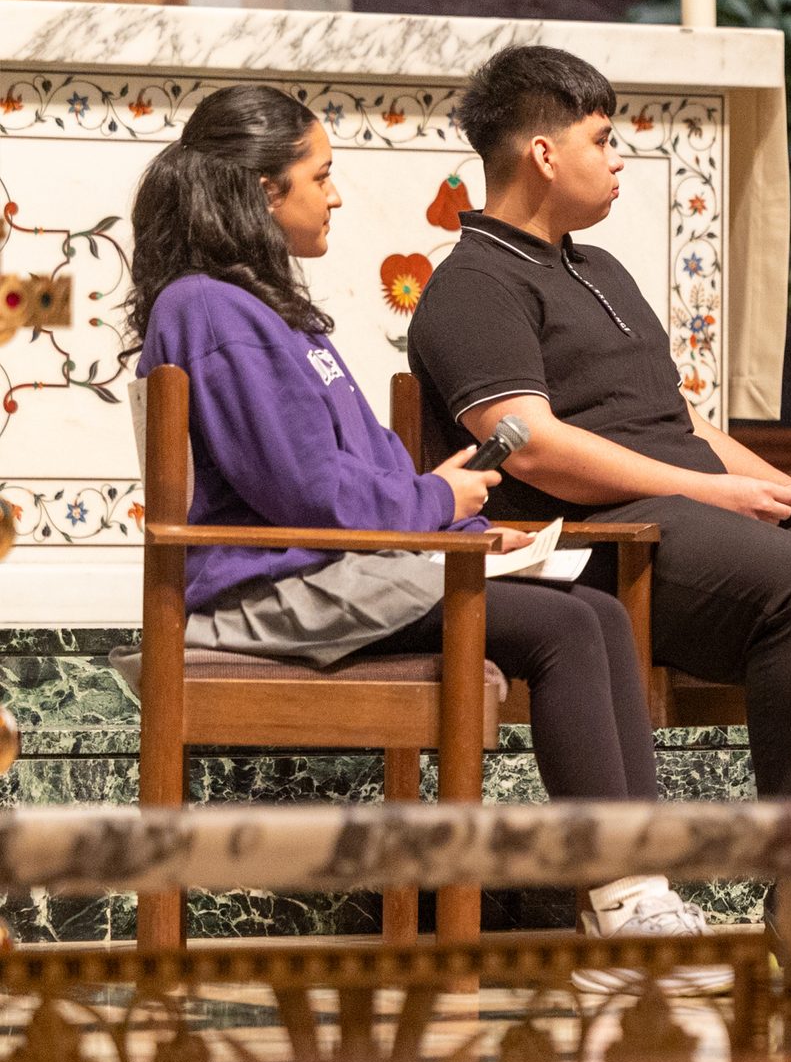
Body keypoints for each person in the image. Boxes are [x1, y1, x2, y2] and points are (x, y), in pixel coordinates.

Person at [126, 83, 723, 978]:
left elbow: (357, 473)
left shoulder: (268, 311)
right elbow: (309, 495)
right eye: (321, 177)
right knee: (563, 627)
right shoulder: (209, 309)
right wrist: (439, 508)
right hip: (263, 589)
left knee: (594, 611)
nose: (335, 196)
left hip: (334, 567)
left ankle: (635, 894)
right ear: (260, 192)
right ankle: (623, 903)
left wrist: (451, 525)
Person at [406, 45, 791, 808]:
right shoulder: (472, 284)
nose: (616, 159)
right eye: (601, 140)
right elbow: (529, 444)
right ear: (544, 154)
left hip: (698, 519)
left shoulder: (599, 268)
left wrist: (780, 484)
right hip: (606, 544)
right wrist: (713, 492)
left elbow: (679, 419)